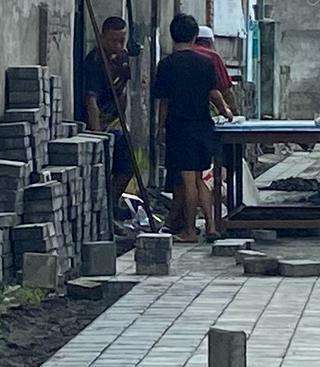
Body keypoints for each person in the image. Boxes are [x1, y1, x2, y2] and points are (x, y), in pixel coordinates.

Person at [149, 13, 234, 238]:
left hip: (180, 129)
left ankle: (189, 231)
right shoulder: (205, 63)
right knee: (198, 179)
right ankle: (212, 226)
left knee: (188, 182)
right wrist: (225, 110)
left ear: (172, 35)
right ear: (195, 36)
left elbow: (164, 102)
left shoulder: (166, 65)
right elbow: (214, 92)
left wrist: (160, 128)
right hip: (202, 128)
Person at [74, 16, 141, 211]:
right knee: (103, 169)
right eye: (114, 41)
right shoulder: (94, 62)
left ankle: (110, 205)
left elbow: (123, 90)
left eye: (122, 40)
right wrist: (97, 136)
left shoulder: (123, 57)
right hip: (98, 125)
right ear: (102, 38)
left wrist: (122, 120)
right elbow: (91, 101)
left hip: (116, 122)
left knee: (128, 166)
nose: (119, 45)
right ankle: (102, 209)